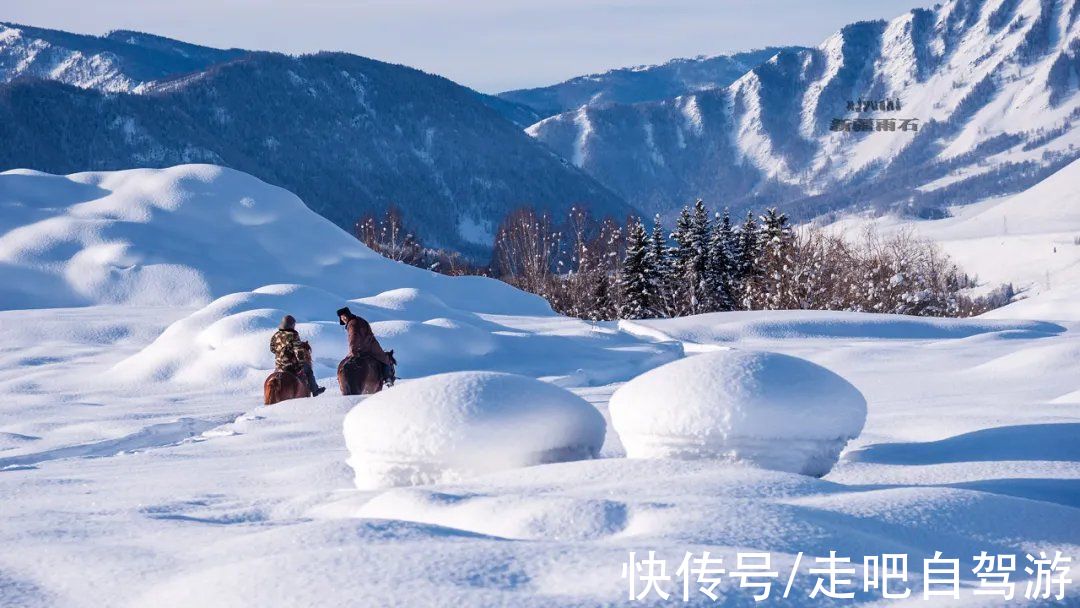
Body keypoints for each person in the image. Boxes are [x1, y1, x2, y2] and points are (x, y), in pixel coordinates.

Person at [269, 315, 326, 396]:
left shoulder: (276, 335)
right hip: (291, 366)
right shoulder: (293, 335)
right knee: (308, 370)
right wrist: (302, 363)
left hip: (278, 366)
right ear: (291, 325)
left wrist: (281, 353)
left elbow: (272, 349)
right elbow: (298, 351)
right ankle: (315, 390)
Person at [336, 306, 392, 375]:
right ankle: (387, 377)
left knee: (384, 358)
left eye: (342, 318)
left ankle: (388, 377)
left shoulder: (351, 324)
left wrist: (353, 350)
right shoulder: (360, 320)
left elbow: (353, 337)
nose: (342, 320)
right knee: (383, 358)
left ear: (344, 317)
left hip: (364, 348)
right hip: (370, 345)